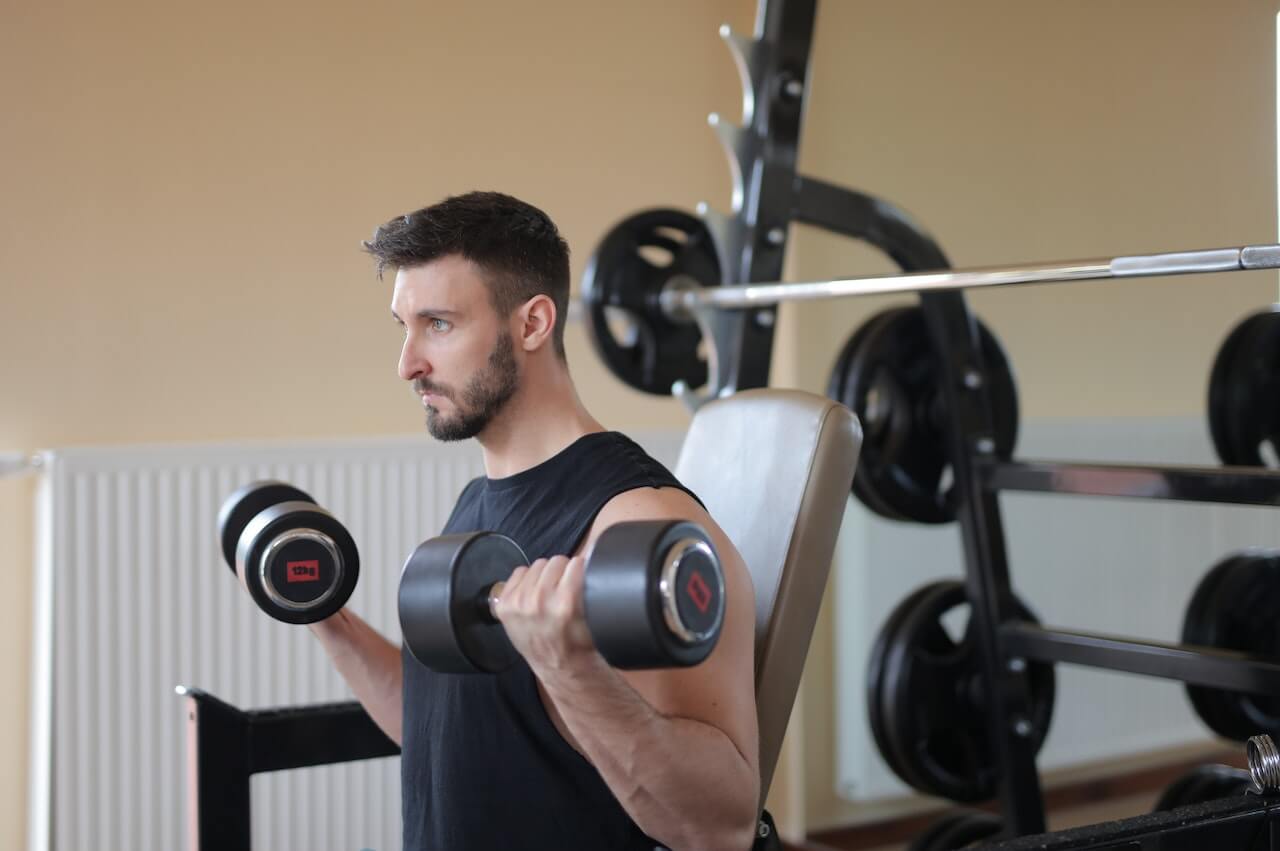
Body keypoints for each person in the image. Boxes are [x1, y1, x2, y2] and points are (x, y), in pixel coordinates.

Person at [309, 191, 760, 851]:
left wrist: (572, 668)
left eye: (437, 324)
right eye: (403, 326)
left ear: (532, 323)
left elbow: (719, 825)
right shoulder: (478, 501)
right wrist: (329, 618)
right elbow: (443, 725)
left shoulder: (638, 523)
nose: (407, 364)